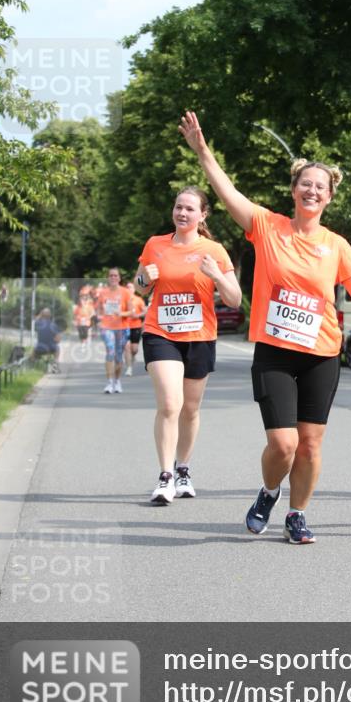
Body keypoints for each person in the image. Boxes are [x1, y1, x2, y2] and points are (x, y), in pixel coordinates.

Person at [179, 109, 351, 544]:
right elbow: (227, 192)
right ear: (294, 190)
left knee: (311, 445)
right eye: (306, 184)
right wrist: (202, 152)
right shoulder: (266, 226)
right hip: (275, 352)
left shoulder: (334, 246)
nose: (312, 191)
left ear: (329, 197)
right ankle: (269, 491)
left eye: (321, 187)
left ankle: (297, 514)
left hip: (322, 355)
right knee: (284, 445)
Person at [135, 186, 241, 505]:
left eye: (189, 209)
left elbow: (235, 300)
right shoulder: (155, 245)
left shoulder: (214, 251)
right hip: (161, 333)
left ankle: (183, 469)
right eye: (178, 207)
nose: (182, 213)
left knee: (191, 410)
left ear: (202, 215)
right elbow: (139, 289)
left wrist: (217, 276)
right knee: (170, 404)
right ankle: (165, 476)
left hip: (199, 337)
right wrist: (144, 278)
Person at [96, 269, 131, 394]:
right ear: (107, 278)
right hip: (107, 327)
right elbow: (98, 310)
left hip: (122, 327)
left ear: (119, 278)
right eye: (111, 275)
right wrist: (99, 319)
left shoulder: (126, 293)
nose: (113, 277)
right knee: (110, 352)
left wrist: (121, 313)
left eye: (115, 275)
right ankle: (109, 382)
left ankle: (117, 380)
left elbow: (132, 311)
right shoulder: (103, 293)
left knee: (118, 356)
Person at [123, 282, 146, 377]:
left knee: (134, 349)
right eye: (127, 287)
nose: (129, 289)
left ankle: (132, 357)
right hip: (124, 326)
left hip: (136, 326)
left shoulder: (138, 300)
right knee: (127, 347)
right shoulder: (122, 300)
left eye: (131, 287)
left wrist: (137, 315)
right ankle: (129, 368)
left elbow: (145, 311)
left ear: (134, 289)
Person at [33, 307, 61, 372]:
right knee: (58, 348)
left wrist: (41, 314)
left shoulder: (38, 324)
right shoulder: (54, 325)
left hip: (40, 348)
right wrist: (53, 341)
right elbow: (58, 340)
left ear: (42, 315)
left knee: (34, 349)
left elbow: (35, 319)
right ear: (50, 316)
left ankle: (32, 366)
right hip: (51, 348)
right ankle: (55, 364)